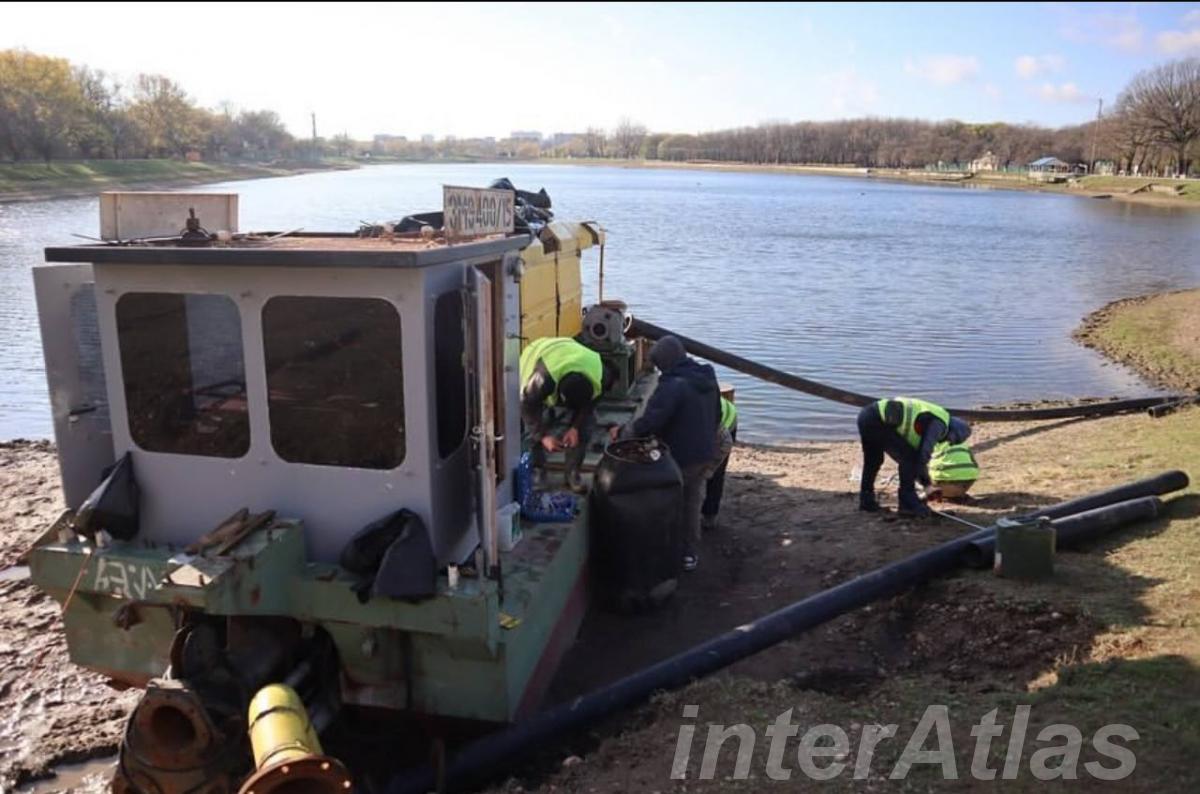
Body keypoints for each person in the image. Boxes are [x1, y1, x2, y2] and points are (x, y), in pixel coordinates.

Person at [611, 336, 720, 571]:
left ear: (665, 363)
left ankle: (667, 551)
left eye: (660, 366)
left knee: (669, 504)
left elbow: (651, 420)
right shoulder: (707, 375)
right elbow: (717, 414)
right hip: (706, 451)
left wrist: (623, 433)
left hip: (682, 456)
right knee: (692, 502)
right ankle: (689, 553)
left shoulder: (672, 385)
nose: (659, 371)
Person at [520, 336, 612, 494]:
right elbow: (527, 406)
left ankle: (572, 473)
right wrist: (543, 436)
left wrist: (575, 427)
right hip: (538, 358)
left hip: (570, 356)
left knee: (586, 424)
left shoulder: (602, 375)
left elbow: (590, 404)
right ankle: (537, 470)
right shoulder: (541, 380)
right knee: (531, 428)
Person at [856, 396, 971, 518]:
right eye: (950, 439)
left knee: (874, 461)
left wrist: (925, 484)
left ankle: (866, 500)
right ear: (953, 432)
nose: (943, 441)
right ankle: (907, 504)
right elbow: (922, 457)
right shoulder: (940, 424)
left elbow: (912, 461)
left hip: (867, 415)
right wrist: (927, 485)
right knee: (909, 457)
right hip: (879, 419)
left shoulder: (935, 417)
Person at [701, 395, 738, 532]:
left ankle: (709, 515)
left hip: (727, 420)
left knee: (715, 474)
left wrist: (709, 470)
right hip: (711, 418)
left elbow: (725, 444)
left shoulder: (706, 422)